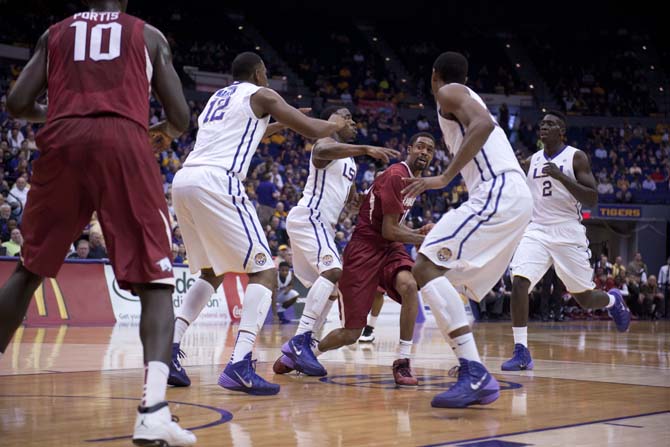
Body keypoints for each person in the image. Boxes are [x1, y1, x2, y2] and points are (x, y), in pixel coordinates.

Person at [0, 1, 195, 445]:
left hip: (62, 140)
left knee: (29, 269)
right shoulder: (148, 35)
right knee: (156, 280)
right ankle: (152, 412)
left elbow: (16, 103)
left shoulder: (55, 34)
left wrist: (65, 116)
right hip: (123, 141)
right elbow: (181, 118)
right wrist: (156, 128)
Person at [167, 52, 347, 394]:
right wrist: (336, 122)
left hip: (185, 180)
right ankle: (239, 363)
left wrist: (278, 125)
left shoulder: (216, 100)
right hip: (218, 181)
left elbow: (244, 132)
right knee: (264, 271)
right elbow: (314, 130)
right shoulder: (262, 94)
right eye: (266, 72)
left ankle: (170, 347)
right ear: (258, 72)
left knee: (211, 272)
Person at [401, 51, 532, 408]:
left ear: (434, 76)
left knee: (425, 268)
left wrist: (444, 177)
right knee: (445, 274)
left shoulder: (449, 92)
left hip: (497, 192)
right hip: (508, 195)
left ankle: (474, 370)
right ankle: (469, 367)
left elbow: (484, 126)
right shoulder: (465, 97)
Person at [272, 105, 399, 376]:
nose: (353, 123)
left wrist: (371, 197)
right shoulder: (326, 142)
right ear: (336, 121)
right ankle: (300, 340)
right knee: (333, 271)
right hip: (310, 216)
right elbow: (319, 153)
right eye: (349, 118)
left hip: (322, 226)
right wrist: (365, 148)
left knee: (331, 285)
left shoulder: (350, 162)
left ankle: (299, 353)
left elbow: (352, 201)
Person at [503, 111, 631, 370]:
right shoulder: (531, 161)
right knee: (519, 282)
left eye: (550, 124)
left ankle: (613, 301)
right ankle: (521, 350)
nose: (544, 127)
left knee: (584, 298)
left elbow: (592, 198)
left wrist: (561, 176)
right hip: (537, 230)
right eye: (542, 124)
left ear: (562, 131)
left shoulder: (576, 157)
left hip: (567, 231)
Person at [313, 132, 435, 387]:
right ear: (409, 148)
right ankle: (308, 354)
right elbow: (388, 229)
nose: (424, 152)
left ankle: (402, 360)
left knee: (410, 286)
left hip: (389, 248)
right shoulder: (396, 175)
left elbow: (389, 226)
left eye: (430, 150)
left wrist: (416, 232)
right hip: (364, 249)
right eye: (420, 147)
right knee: (351, 334)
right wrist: (420, 238)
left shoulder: (412, 181)